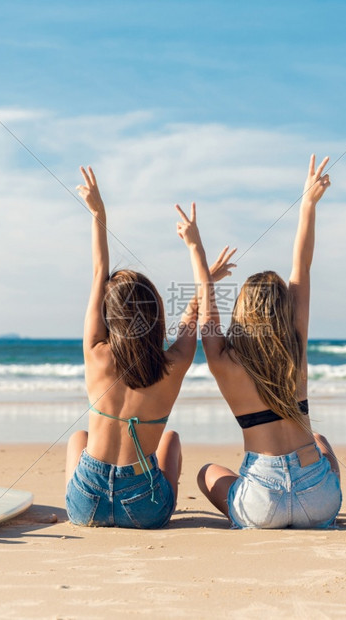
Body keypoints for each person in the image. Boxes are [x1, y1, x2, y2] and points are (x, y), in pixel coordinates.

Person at [176, 154, 342, 529]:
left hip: (261, 501)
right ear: (285, 311)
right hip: (319, 500)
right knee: (321, 441)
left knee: (207, 473)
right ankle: (318, 505)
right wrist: (308, 205)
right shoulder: (295, 346)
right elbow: (302, 266)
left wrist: (196, 250)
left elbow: (206, 306)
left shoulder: (223, 360)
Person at [65, 166, 235, 529]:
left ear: (110, 317)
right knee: (169, 440)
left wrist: (98, 214)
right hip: (143, 508)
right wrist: (199, 258)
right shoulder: (172, 365)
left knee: (78, 438)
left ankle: (84, 504)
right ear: (155, 313)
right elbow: (198, 319)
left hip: (85, 503)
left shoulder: (96, 352)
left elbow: (99, 273)